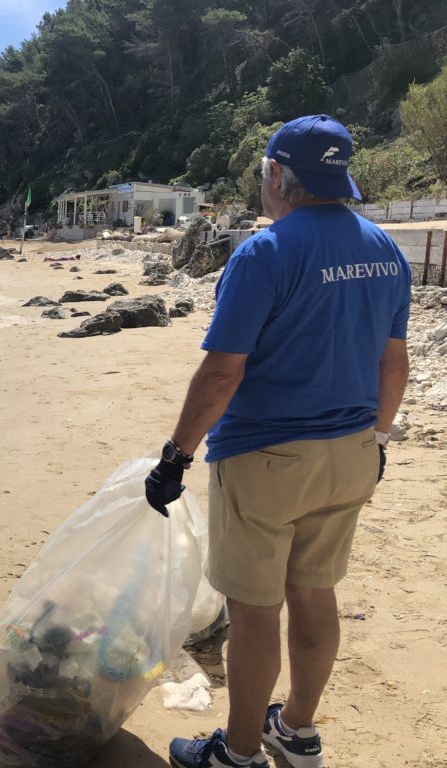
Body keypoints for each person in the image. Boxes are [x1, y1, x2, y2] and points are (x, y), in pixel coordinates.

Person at [144, 115, 411, 768]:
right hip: (353, 452)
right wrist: (377, 439)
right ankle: (296, 730)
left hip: (266, 460)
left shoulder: (264, 253)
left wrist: (176, 456)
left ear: (275, 175)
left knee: (255, 610)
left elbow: (222, 373)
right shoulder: (386, 250)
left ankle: (238, 754)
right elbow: (394, 364)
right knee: (315, 594)